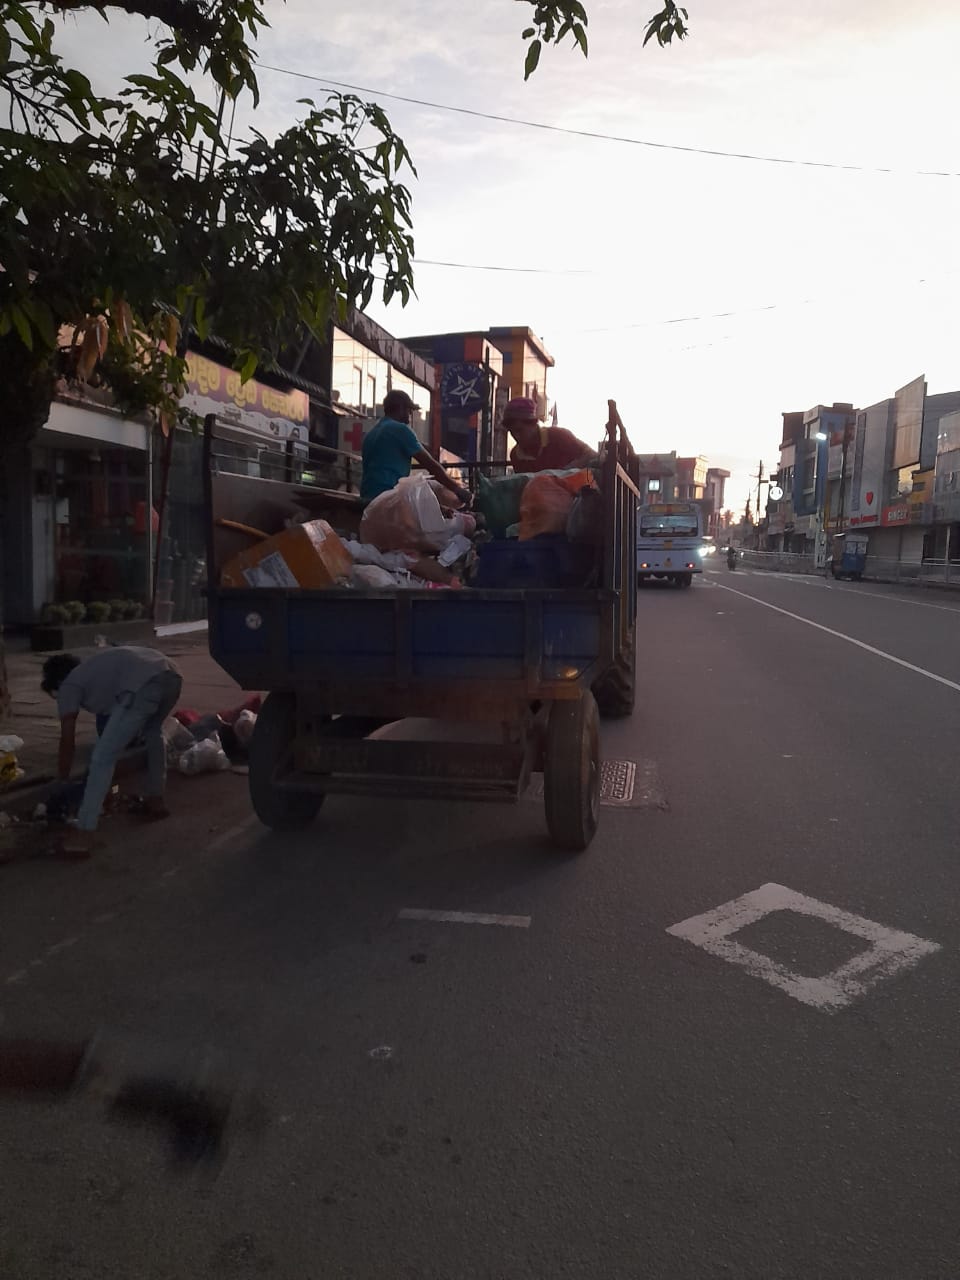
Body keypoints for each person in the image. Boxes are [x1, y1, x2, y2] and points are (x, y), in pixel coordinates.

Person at [41, 646, 183, 858]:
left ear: (57, 684)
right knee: (154, 734)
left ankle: (84, 834)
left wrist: (62, 779)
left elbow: (67, 739)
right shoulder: (95, 673)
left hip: (144, 683)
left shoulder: (69, 683)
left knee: (101, 758)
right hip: (171, 675)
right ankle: (156, 801)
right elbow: (111, 727)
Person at [360, 389, 471, 507]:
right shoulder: (400, 430)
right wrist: (458, 490)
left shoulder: (371, 433)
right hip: (390, 497)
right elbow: (431, 465)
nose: (410, 414)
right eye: (409, 410)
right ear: (401, 408)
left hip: (367, 496)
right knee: (437, 488)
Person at [505, 397, 594, 474]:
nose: (516, 436)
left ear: (533, 424)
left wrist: (565, 472)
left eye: (519, 430)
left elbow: (592, 455)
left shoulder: (559, 436)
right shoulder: (516, 455)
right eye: (511, 432)